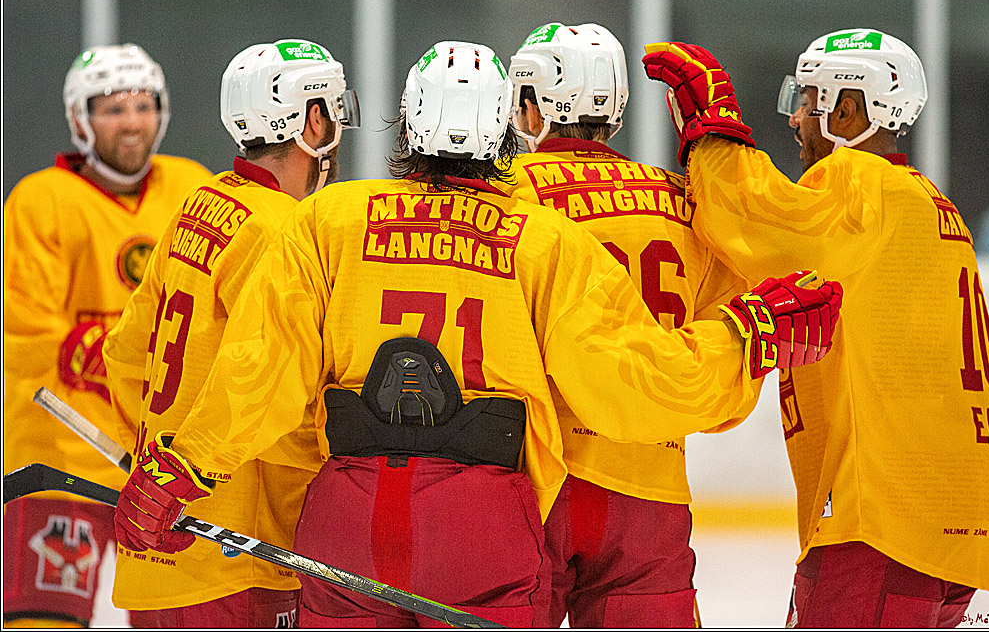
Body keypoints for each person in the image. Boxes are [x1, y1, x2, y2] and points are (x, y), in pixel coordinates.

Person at [111, 40, 842, 628]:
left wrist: (183, 468)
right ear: (502, 127)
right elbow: (636, 381)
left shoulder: (329, 221)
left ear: (408, 120)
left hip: (348, 518)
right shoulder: (541, 239)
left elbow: (260, 369)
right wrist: (747, 335)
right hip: (481, 527)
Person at [642, 29, 989, 628]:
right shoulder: (932, 205)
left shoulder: (860, 184)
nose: (795, 118)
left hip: (880, 530)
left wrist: (712, 132)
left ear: (848, 110)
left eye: (808, 100)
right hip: (955, 532)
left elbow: (758, 223)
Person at [504, 22, 758, 628]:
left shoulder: (501, 196)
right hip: (650, 492)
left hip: (534, 480)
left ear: (530, 105)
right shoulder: (685, 201)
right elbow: (729, 374)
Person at [101, 39, 360, 628]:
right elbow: (264, 379)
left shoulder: (202, 202)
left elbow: (126, 353)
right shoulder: (285, 230)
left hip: (159, 549)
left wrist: (155, 469)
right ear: (312, 121)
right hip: (239, 554)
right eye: (334, 110)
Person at [3, 44, 211, 628]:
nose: (131, 122)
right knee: (45, 621)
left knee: (171, 620)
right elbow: (27, 330)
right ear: (80, 118)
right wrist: (136, 361)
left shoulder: (193, 189)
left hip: (163, 471)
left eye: (143, 106)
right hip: (59, 463)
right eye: (113, 109)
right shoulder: (40, 201)